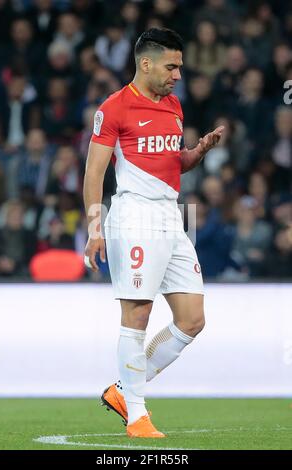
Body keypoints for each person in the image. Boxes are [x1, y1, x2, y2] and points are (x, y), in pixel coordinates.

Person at [83, 28, 224, 438]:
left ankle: (124, 391)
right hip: (133, 217)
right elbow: (93, 173)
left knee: (192, 320)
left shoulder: (174, 105)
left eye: (179, 66)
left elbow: (170, 161)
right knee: (138, 314)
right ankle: (137, 416)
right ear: (145, 63)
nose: (178, 74)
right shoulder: (114, 108)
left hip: (170, 217)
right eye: (172, 66)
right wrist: (95, 229)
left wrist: (197, 153)